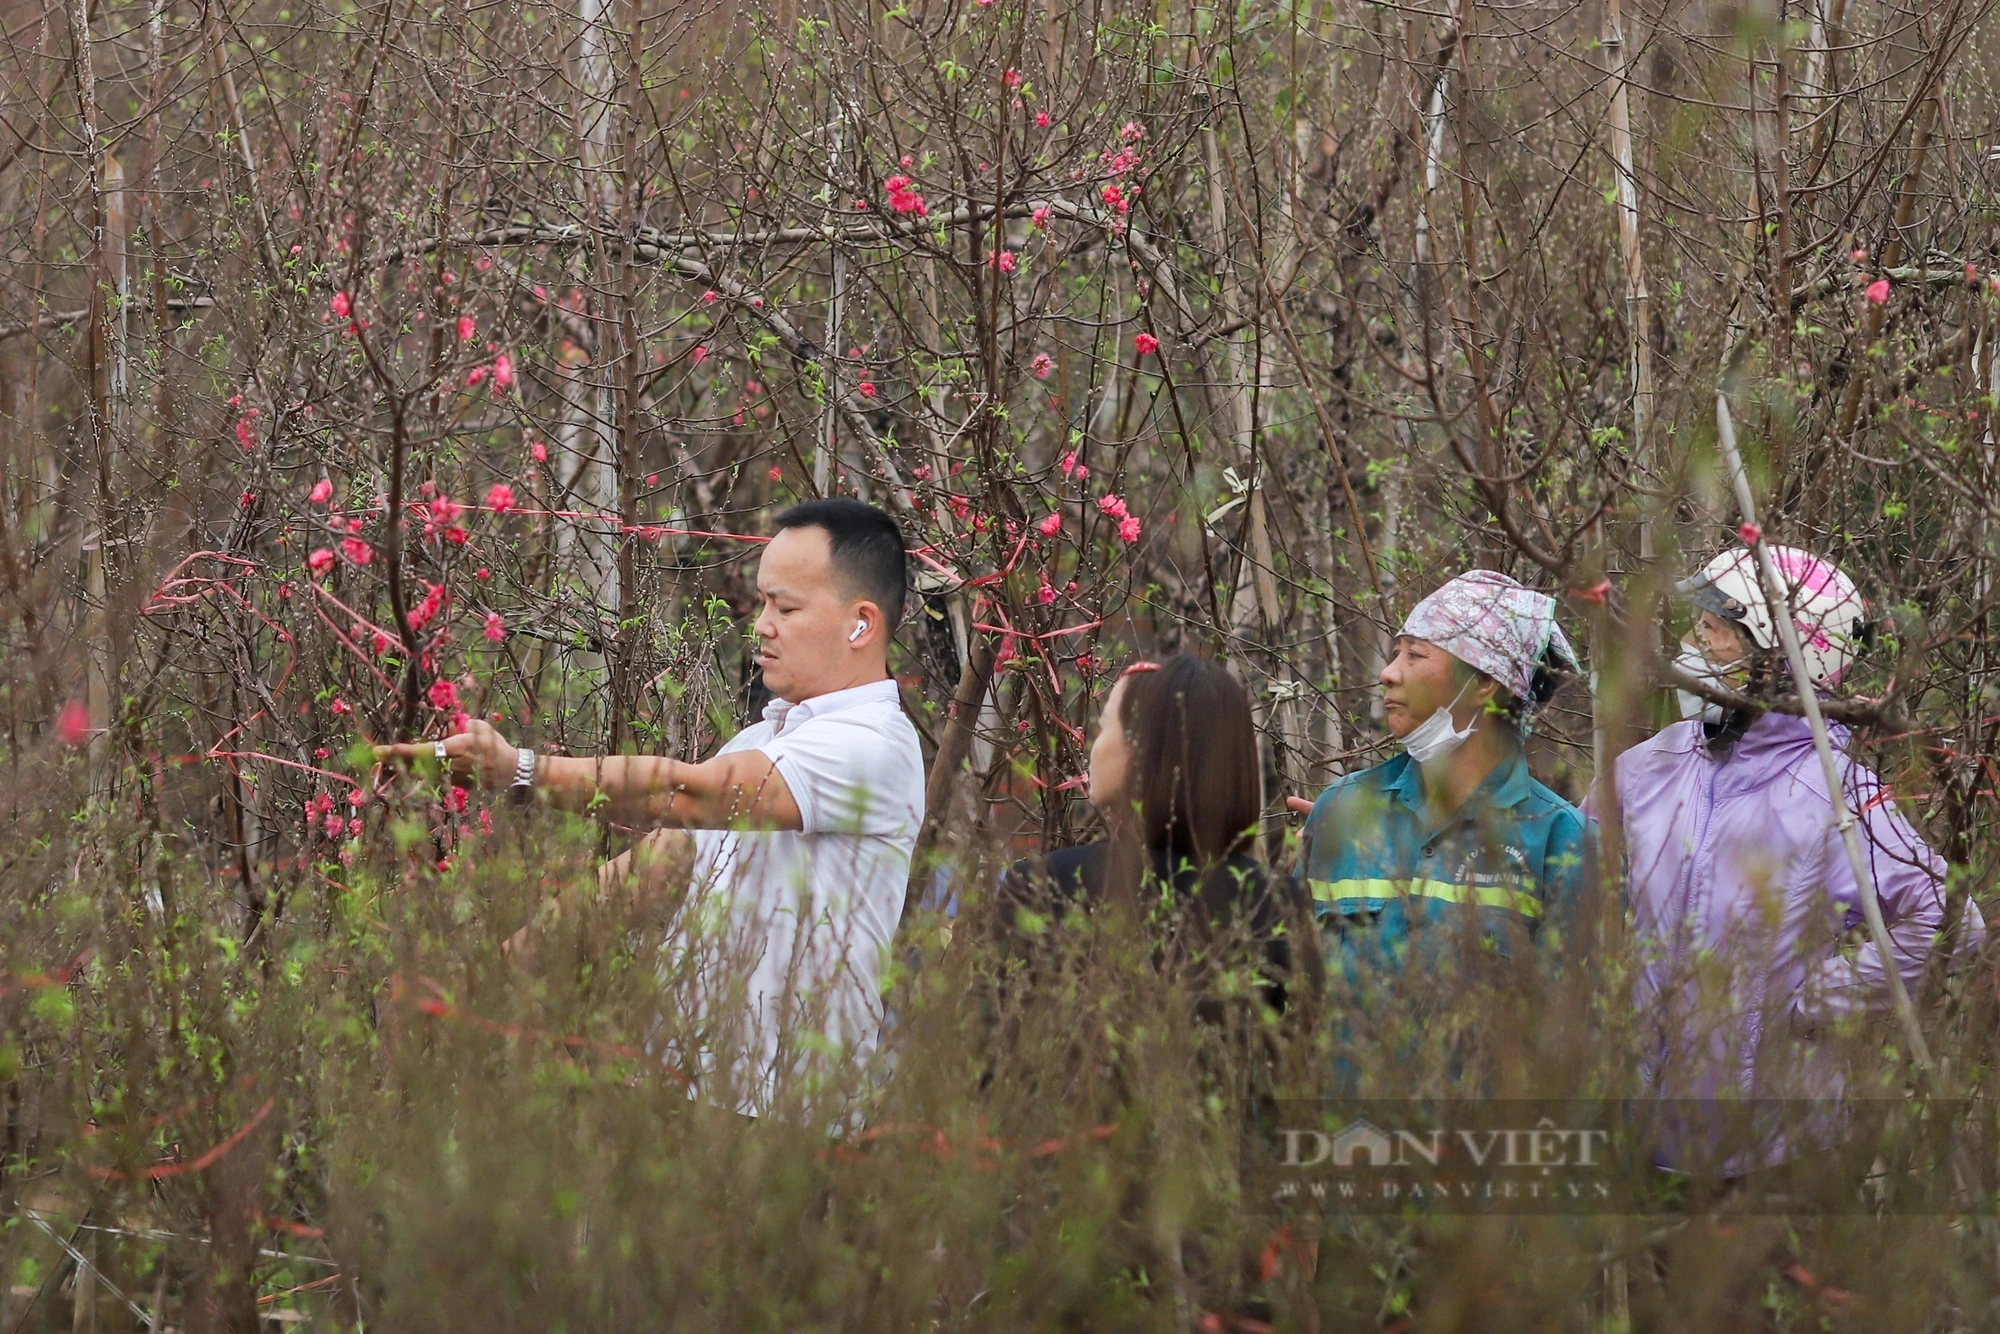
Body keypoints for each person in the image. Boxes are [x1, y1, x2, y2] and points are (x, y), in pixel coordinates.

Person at [378, 497, 925, 1114]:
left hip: (784, 1123)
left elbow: (691, 797)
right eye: (764, 602)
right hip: (680, 1098)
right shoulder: (764, 741)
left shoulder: (872, 746)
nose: (763, 625)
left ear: (861, 623)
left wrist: (520, 771)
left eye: (787, 607)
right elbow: (646, 874)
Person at [1616, 545, 1984, 1171]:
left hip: (1777, 1153)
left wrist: (1816, 1005)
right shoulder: (1652, 764)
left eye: (1712, 631)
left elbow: (1950, 920)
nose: (1688, 644)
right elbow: (1583, 892)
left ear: (1780, 661)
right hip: (1642, 1143)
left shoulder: (1836, 792)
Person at [1292, 569, 1590, 978]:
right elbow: (1288, 994)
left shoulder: (1562, 840)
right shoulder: (1340, 811)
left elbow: (1575, 1029)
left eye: (1415, 655)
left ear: (1484, 681)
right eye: (1397, 652)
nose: (1389, 672)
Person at [996, 655, 1319, 1014]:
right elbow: (1305, 1055)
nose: (1094, 745)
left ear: (1144, 749)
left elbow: (980, 1047)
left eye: (1103, 727)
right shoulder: (1278, 906)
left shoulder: (1042, 888)